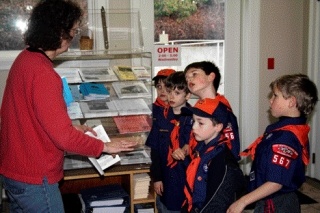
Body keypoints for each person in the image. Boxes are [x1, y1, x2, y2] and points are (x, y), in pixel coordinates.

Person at [0, 1, 136, 212]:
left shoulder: (25, 59)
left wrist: (70, 128)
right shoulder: (45, 74)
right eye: (72, 31)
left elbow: (29, 117)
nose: (73, 37)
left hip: (14, 170)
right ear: (59, 33)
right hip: (36, 177)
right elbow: (62, 137)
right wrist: (104, 147)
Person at [227, 74, 318, 213]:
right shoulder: (283, 130)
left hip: (275, 204)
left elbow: (275, 183)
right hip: (273, 199)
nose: (270, 100)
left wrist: (242, 201)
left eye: (275, 96)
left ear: (291, 102)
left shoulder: (285, 138)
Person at [181, 98, 245, 213]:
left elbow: (216, 203)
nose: (194, 127)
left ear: (218, 127)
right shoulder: (200, 150)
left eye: (200, 123)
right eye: (193, 121)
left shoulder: (222, 160)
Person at [147, 71, 193, 212]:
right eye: (169, 91)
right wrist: (157, 178)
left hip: (186, 176)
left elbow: (195, 144)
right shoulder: (161, 118)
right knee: (167, 207)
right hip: (166, 177)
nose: (171, 96)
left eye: (177, 93)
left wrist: (185, 150)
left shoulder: (195, 118)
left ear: (188, 95)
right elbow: (155, 150)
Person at [181, 61, 240, 161]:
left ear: (211, 77)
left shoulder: (221, 109)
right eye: (186, 78)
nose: (189, 79)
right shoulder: (197, 107)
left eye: (194, 74)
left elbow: (232, 147)